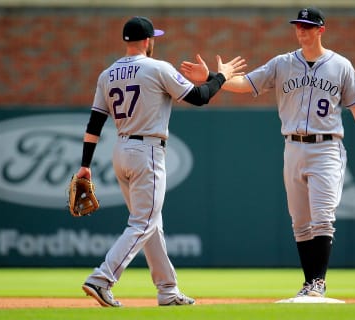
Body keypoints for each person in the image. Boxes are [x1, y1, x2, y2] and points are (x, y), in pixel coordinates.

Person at [181, 7, 355, 298]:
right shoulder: (282, 63)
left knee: (322, 216)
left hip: (327, 147)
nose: (301, 31)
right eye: (298, 26)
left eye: (307, 26)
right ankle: (309, 284)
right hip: (292, 147)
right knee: (300, 221)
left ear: (321, 30)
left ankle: (318, 283)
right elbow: (246, 84)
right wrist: (210, 76)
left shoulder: (341, 66)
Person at [76, 16, 246, 307]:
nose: (153, 41)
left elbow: (94, 124)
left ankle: (167, 290)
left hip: (120, 150)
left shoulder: (108, 74)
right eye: (153, 37)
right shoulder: (157, 68)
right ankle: (102, 278)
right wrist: (220, 77)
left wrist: (85, 164)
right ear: (146, 41)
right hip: (148, 152)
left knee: (151, 225)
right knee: (143, 222)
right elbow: (201, 97)